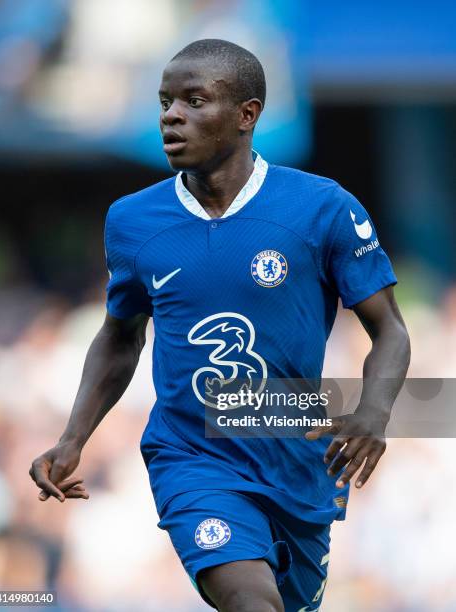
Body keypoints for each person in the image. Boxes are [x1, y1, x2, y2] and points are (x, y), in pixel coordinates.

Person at [30, 39, 411, 612]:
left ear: (246, 115)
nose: (171, 115)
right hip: (192, 456)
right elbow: (120, 334)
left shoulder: (322, 208)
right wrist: (73, 438)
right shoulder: (134, 221)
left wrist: (374, 413)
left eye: (193, 100)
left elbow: (392, 332)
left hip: (296, 457)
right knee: (249, 599)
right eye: (164, 102)